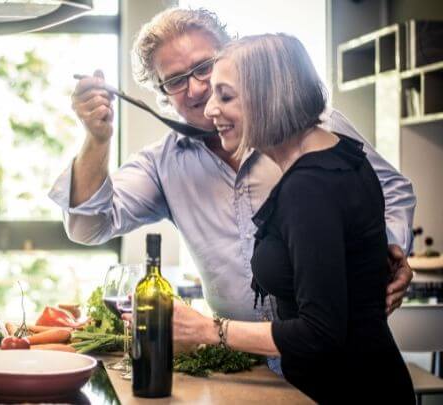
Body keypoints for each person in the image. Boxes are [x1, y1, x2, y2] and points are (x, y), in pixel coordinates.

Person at [48, 7, 415, 371]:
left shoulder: (311, 131)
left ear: (231, 57)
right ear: (161, 92)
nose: (196, 89)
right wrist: (97, 140)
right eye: (175, 80)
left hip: (337, 363)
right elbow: (88, 226)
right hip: (244, 362)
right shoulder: (162, 164)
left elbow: (391, 191)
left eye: (204, 67)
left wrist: (379, 256)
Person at [183, 32, 414, 403]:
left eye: (225, 96)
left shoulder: (308, 188)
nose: (210, 110)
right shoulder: (344, 156)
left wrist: (209, 330)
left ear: (267, 97)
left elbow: (320, 332)